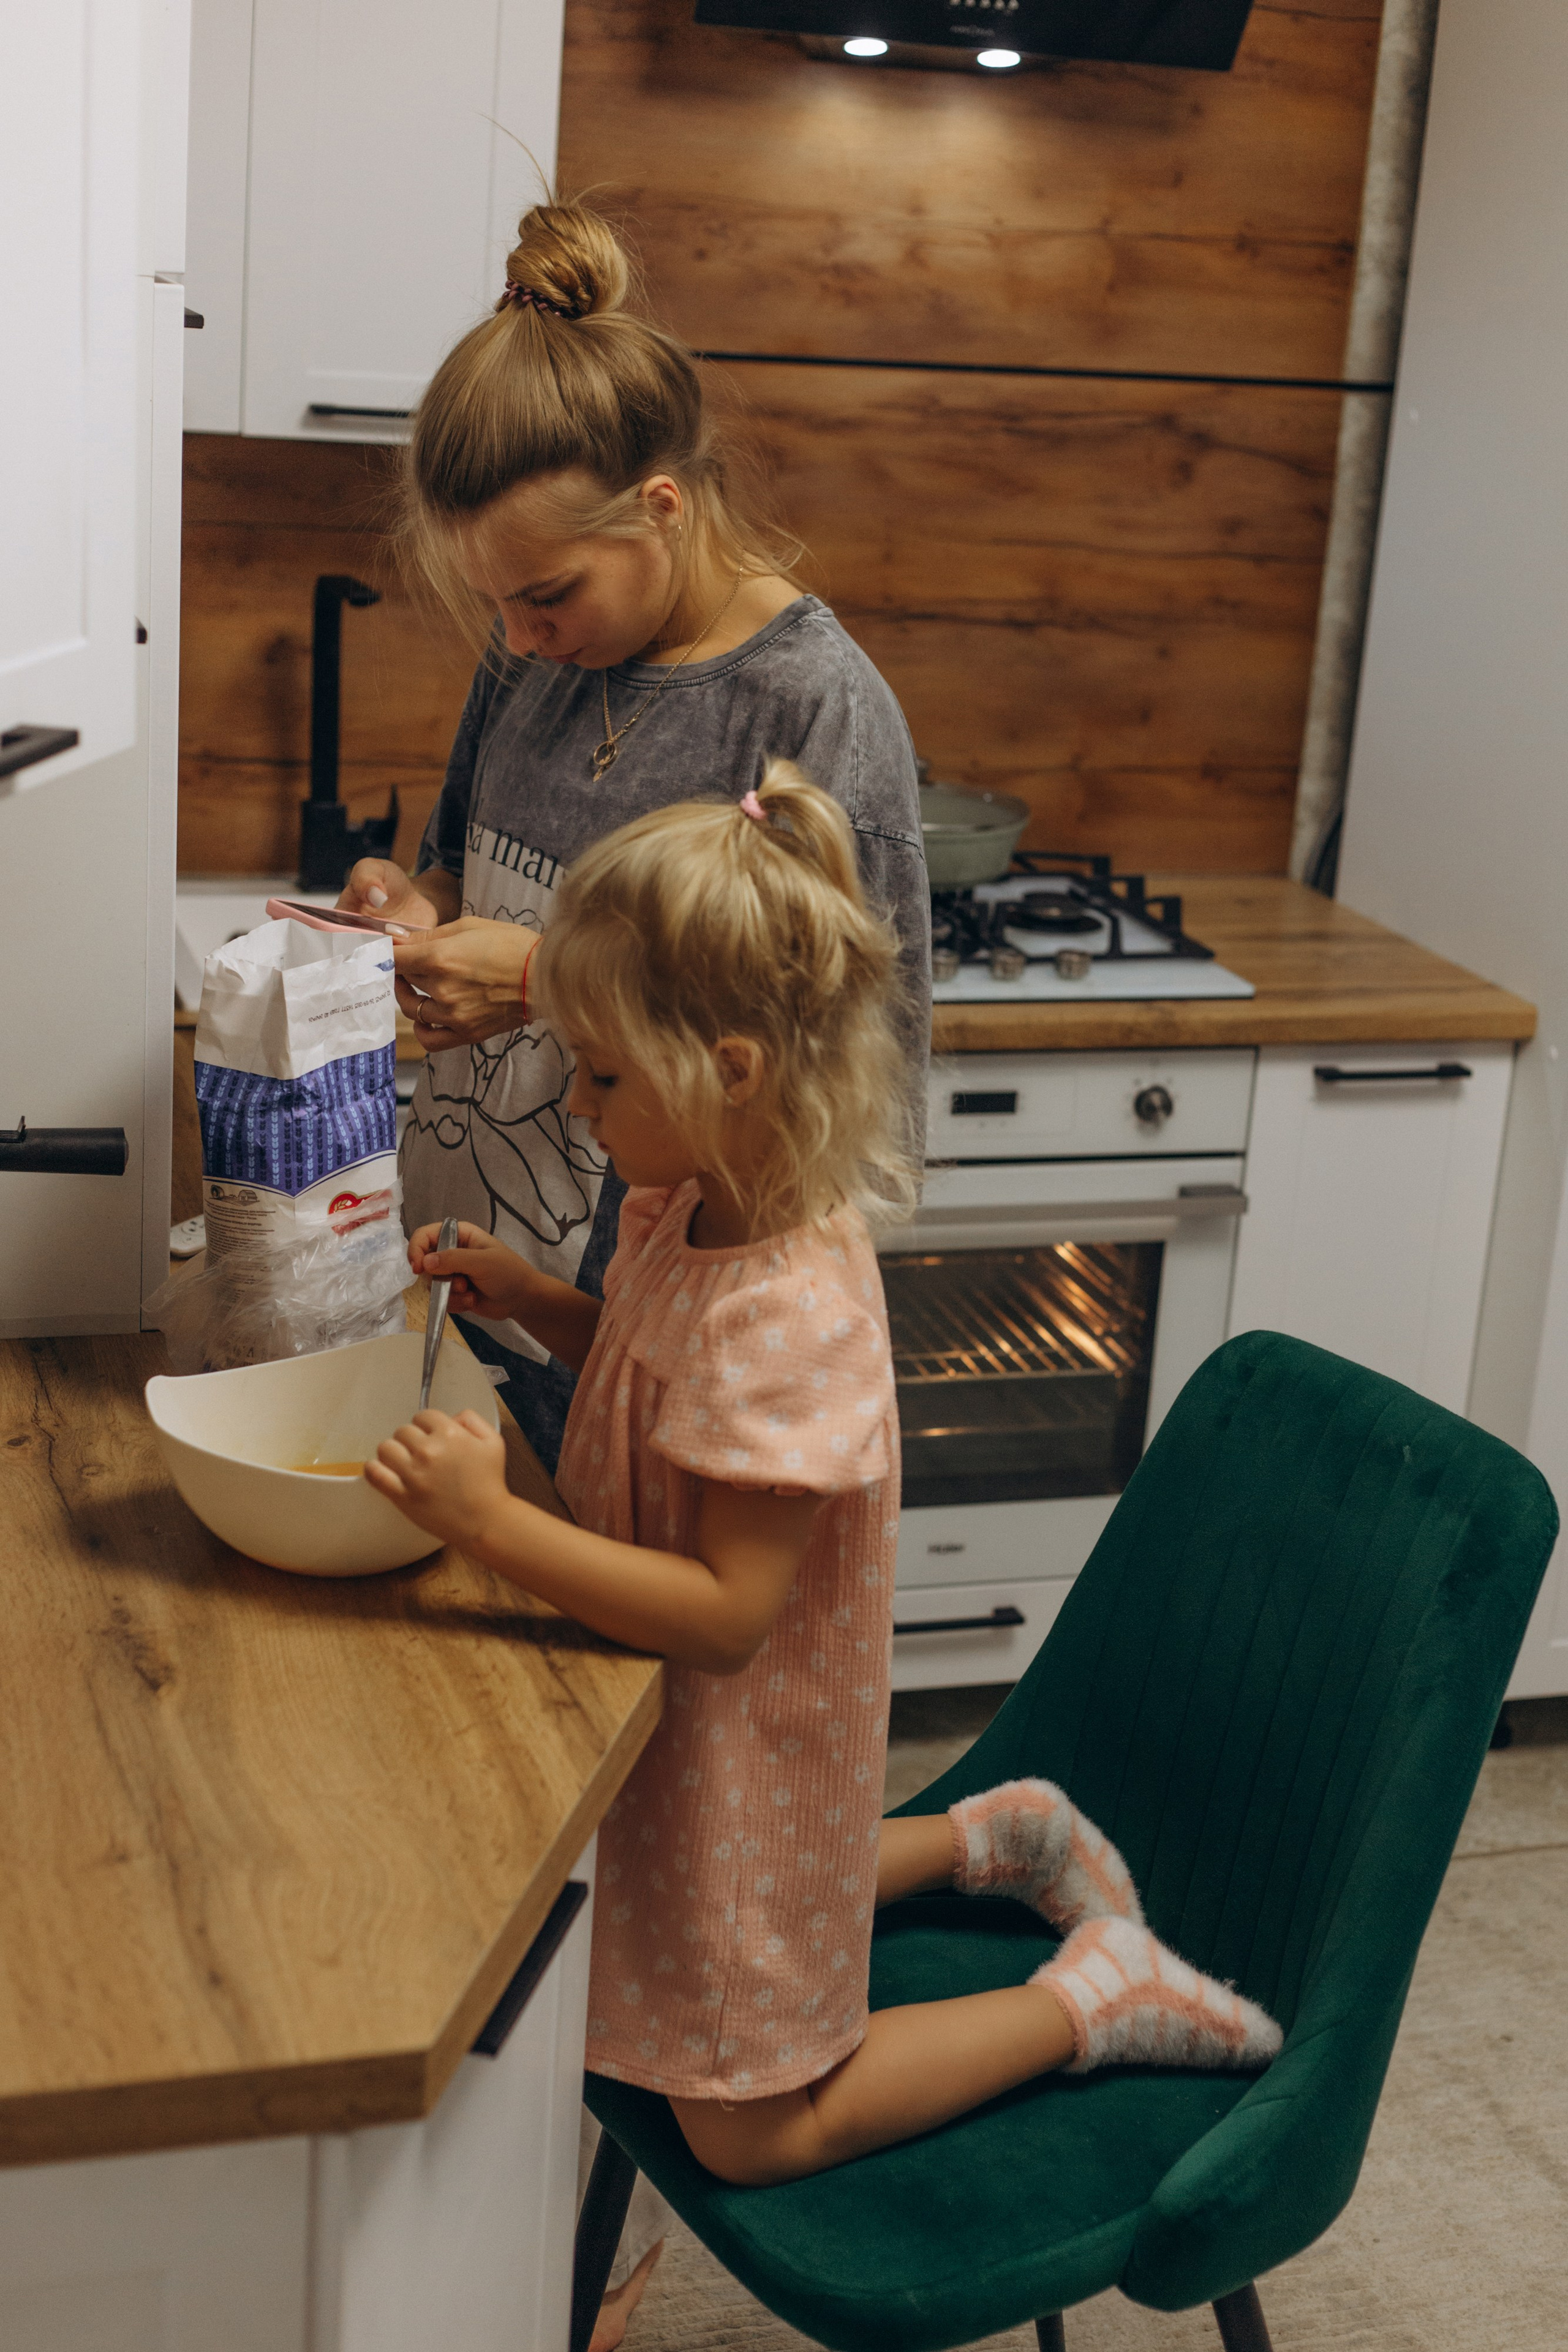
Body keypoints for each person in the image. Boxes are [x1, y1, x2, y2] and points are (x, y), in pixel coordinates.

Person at [368, 775, 1282, 2209]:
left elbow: (731, 1616)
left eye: (602, 1076)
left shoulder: (787, 1308)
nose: (581, 1103)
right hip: (694, 1730)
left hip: (738, 1722)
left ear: (727, 1066)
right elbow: (655, 1376)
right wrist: (539, 1296)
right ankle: (1002, 1834)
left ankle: (1093, 1998)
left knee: (753, 2127)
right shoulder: (690, 1199)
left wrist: (496, 1526)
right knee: (714, 1893)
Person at [336, 198, 930, 1480]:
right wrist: (414, 906)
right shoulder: (538, 658)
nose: (519, 640)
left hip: (657, 1338)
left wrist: (544, 980)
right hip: (482, 1277)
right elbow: (457, 860)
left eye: (545, 595)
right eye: (494, 604)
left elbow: (839, 1071)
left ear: (659, 506)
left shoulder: (810, 707)